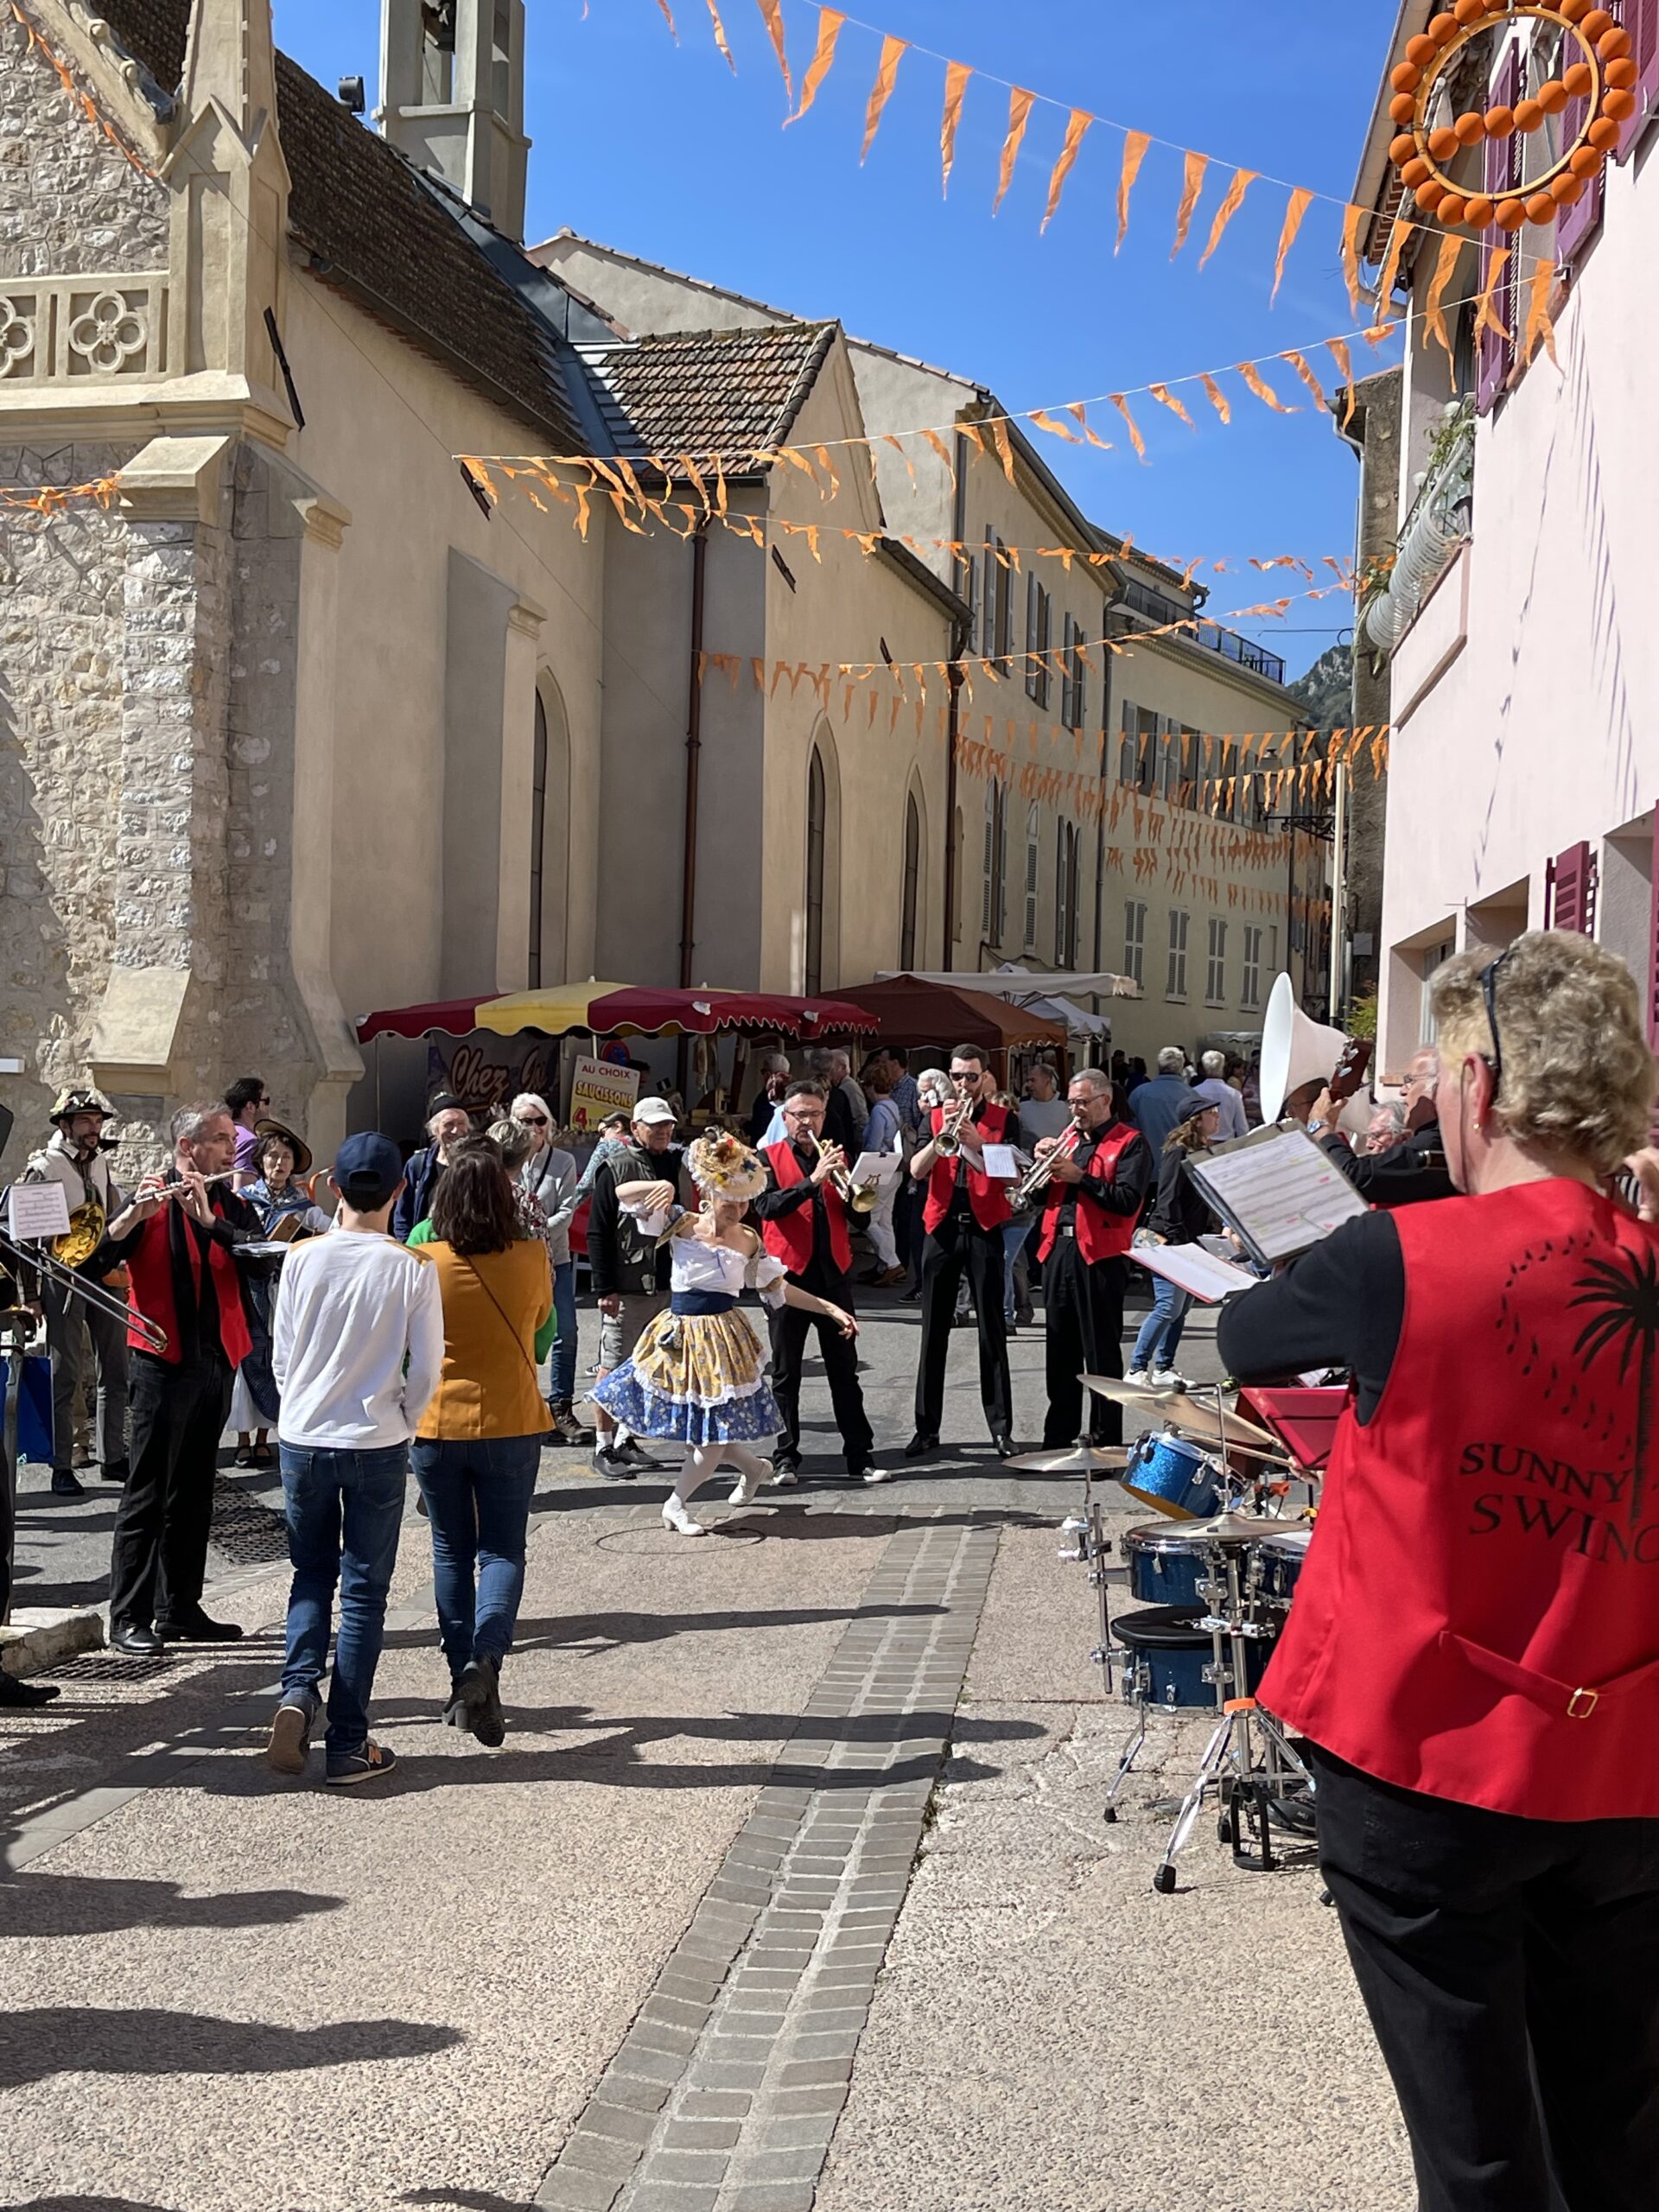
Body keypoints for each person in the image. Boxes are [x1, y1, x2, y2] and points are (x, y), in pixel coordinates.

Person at [1217, 931, 1659, 2212]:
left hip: (1421, 1754)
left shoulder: (1392, 1260)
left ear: (1476, 1092)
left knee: (1476, 2155)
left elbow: (1247, 1333)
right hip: (1623, 1760)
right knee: (1618, 2136)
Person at [265, 1134, 443, 1785]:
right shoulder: (411, 1265)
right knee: (365, 1591)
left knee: (309, 1574)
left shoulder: (303, 1257)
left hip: (305, 1433)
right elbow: (426, 1368)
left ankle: (295, 1691)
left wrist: (299, 1407)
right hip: (374, 1437)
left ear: (333, 1188)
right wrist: (407, 1420)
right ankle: (347, 1740)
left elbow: (281, 1353)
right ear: (399, 1190)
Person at [594, 1132, 857, 1534]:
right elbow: (620, 1191)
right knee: (709, 1433)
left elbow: (779, 1288)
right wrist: (660, 1184)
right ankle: (753, 1469)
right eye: (729, 1199)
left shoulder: (748, 1240)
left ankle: (676, 1503)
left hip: (723, 1341)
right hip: (681, 1338)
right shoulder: (680, 1223)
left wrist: (830, 1307)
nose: (738, 1208)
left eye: (744, 1200)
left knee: (712, 1435)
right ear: (709, 1192)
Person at [94, 1103, 276, 1656]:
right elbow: (99, 1257)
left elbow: (260, 1259)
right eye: (221, 1140)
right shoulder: (148, 1200)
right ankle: (129, 1615)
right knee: (148, 1489)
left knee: (196, 1490)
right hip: (160, 1358)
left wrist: (210, 1224)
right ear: (186, 1147)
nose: (231, 1150)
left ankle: (180, 1608)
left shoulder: (233, 1204)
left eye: (230, 1141)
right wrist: (128, 1218)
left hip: (217, 1357)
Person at [411, 1146, 552, 1747]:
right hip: (511, 1416)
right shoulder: (531, 1256)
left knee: (449, 1551)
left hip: (438, 1421)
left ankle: (461, 1674)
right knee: (501, 1551)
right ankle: (487, 1660)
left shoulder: (421, 1260)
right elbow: (544, 1331)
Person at [753, 1084, 880, 1485]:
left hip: (833, 1275)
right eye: (800, 1114)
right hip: (786, 1277)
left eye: (815, 1114)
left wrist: (855, 1192)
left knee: (845, 1371)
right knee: (787, 1372)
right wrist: (812, 1181)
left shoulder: (840, 1159)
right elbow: (766, 1207)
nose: (808, 1122)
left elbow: (860, 1220)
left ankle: (860, 1455)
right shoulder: (766, 1160)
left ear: (825, 1116)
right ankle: (785, 1457)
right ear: (785, 1119)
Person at [906, 1046, 1020, 1459]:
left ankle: (1001, 1428)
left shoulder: (1005, 1120)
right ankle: (926, 1429)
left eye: (971, 1077)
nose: (963, 1085)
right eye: (957, 1076)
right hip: (940, 1227)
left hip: (985, 1229)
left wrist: (975, 1145)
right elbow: (916, 1171)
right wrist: (938, 1143)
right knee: (933, 1332)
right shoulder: (933, 1117)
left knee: (992, 1331)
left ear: (986, 1079)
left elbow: (1012, 1178)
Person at [1033, 1070, 1154, 1450]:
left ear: (1105, 1100)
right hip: (1059, 1250)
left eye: (1082, 1102)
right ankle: (1058, 1434)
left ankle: (1105, 1440)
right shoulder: (1069, 1141)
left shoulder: (1131, 1143)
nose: (1075, 1110)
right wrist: (1038, 1168)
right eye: (1071, 1102)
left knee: (1100, 1351)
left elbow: (1127, 1201)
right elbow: (1040, 1199)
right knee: (1060, 1349)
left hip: (1100, 1256)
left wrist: (1079, 1176)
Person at [18, 1087, 128, 1494]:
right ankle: (61, 1464)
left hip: (103, 1274)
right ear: (65, 1125)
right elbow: (26, 1238)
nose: (93, 1129)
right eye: (84, 1121)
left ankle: (112, 1456)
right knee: (64, 1374)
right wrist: (30, 1295)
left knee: (114, 1370)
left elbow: (111, 1215)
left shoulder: (100, 1164)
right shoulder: (43, 1167)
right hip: (60, 1277)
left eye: (97, 1122)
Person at [586, 1097, 688, 1478]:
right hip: (626, 1285)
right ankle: (602, 1444)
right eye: (655, 1125)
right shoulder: (616, 1166)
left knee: (648, 1367)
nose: (663, 1131)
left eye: (668, 1125)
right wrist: (604, 1287)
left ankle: (627, 1438)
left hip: (666, 1283)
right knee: (613, 1366)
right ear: (635, 1127)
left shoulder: (676, 1163)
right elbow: (598, 1230)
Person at [230, 1118, 332, 1470]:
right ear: (261, 1162)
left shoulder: (301, 1205)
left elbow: (332, 1232)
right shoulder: (243, 1200)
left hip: (284, 1292)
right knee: (249, 1357)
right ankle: (243, 1438)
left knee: (278, 1357)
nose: (280, 1163)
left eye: (286, 1157)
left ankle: (265, 1437)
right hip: (249, 1289)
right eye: (273, 1156)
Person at [1127, 1096, 1221, 1389]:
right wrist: (1180, 1246)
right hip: (1169, 1242)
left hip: (1188, 1242)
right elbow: (1167, 1202)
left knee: (1181, 1309)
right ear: (1195, 1119)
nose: (1217, 1118)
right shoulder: (1177, 1153)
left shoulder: (1202, 1152)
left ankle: (1164, 1367)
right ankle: (1136, 1368)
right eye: (1211, 1113)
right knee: (1168, 1307)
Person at [509, 1093, 588, 1444]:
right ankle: (525, 1407)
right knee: (519, 1332)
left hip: (554, 1258)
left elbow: (567, 1210)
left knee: (565, 1331)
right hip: (513, 1262)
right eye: (526, 1120)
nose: (534, 1128)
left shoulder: (563, 1161)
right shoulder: (504, 1160)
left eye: (540, 1120)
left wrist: (532, 1233)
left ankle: (561, 1407)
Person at [1308, 1044, 1454, 1206]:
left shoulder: (1435, 1141)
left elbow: (1354, 1178)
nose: (1402, 1092)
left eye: (1409, 1081)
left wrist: (1320, 1127)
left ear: (1438, 1087)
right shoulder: (1443, 1137)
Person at [391, 1093, 472, 1242]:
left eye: (461, 1123)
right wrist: (411, 1249)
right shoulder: (417, 1164)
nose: (456, 1131)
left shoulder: (478, 1165)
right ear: (435, 1130)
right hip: (423, 1250)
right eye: (449, 1124)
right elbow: (402, 1215)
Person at [855, 1064, 906, 1288]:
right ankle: (885, 1266)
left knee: (868, 1220)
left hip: (878, 1168)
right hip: (895, 1168)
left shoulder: (878, 1110)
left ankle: (892, 1263)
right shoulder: (893, 1106)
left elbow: (874, 1144)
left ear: (870, 1087)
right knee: (885, 1220)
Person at [1127, 1046, 1194, 1154]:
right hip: (1180, 1162)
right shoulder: (1192, 1095)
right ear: (1181, 1067)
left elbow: (1129, 1129)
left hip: (1147, 1160)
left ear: (1159, 1067)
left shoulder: (1139, 1093)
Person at [1192, 1049, 1249, 1141]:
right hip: (1227, 1144)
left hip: (1203, 1144)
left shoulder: (1195, 1092)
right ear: (1223, 1067)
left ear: (1203, 1068)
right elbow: (1242, 1128)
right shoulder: (1234, 1094)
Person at [224, 1075, 268, 1185]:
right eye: (266, 1101)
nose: (268, 1108)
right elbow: (243, 1190)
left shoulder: (227, 1132)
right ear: (251, 1106)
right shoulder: (250, 1141)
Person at [1018, 1063, 1072, 1146]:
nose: (1028, 1085)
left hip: (1060, 1154)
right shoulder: (1021, 1104)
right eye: (1027, 1081)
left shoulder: (1066, 1103)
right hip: (1031, 1155)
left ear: (1047, 1080)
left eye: (1033, 1080)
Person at [746, 1052, 792, 1145]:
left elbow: (761, 1128)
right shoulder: (795, 1095)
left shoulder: (766, 1099)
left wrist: (745, 1126)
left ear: (768, 1075)